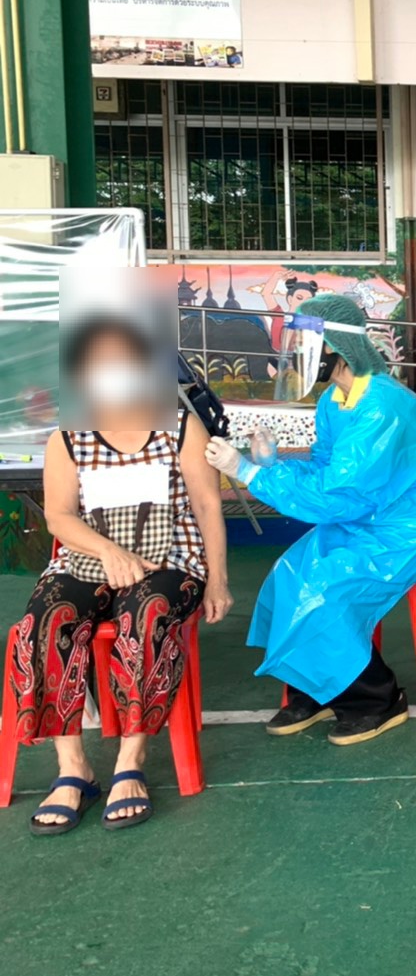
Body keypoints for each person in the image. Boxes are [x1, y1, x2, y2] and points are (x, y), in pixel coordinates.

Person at [205, 296, 416, 745]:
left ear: (336, 345)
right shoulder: (334, 400)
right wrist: (272, 463)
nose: (298, 353)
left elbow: (338, 497)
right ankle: (317, 687)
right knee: (289, 576)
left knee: (324, 592)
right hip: (364, 522)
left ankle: (376, 699)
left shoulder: (381, 406)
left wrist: (250, 474)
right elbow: (328, 470)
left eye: (305, 342)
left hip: (414, 531)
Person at [17, 317, 230, 833]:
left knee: (147, 612)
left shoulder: (181, 426)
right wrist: (109, 551)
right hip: (88, 557)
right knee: (44, 619)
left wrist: (218, 579)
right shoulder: (67, 437)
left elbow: (207, 504)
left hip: (171, 559)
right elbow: (59, 516)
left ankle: (130, 761)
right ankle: (73, 768)